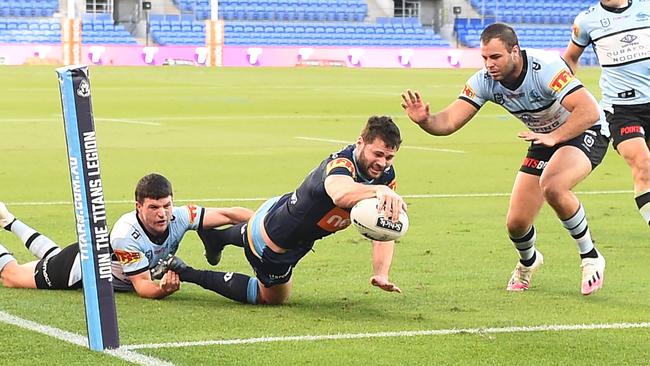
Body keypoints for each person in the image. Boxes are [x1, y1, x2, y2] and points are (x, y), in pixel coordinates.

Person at [401, 23, 609, 295]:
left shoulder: (545, 67)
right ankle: (529, 262)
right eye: (484, 58)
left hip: (583, 129)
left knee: (554, 185)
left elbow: (588, 110)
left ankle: (590, 256)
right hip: (543, 137)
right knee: (516, 223)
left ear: (515, 51)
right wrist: (425, 121)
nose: (489, 65)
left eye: (495, 57)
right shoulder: (484, 82)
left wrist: (556, 136)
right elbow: (450, 121)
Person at [155, 116, 406, 305]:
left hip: (280, 213)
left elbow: (384, 228)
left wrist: (381, 273)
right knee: (272, 299)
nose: (382, 163)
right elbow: (340, 191)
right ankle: (187, 272)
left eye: (390, 157)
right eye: (378, 154)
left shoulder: (384, 177)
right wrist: (379, 191)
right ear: (360, 142)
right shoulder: (341, 164)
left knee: (258, 230)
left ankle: (217, 236)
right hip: (273, 245)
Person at [0, 173, 253, 299]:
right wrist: (162, 290)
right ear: (138, 207)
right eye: (153, 208)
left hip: (88, 254)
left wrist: (264, 224)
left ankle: (8, 221)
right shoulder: (126, 235)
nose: (162, 214)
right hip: (79, 270)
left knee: (50, 256)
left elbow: (229, 214)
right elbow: (142, 286)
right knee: (11, 277)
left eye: (166, 205)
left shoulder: (180, 215)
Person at [563, 0, 650, 228]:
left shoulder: (646, 8)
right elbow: (571, 57)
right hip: (621, 109)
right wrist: (567, 91)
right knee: (643, 163)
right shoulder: (586, 21)